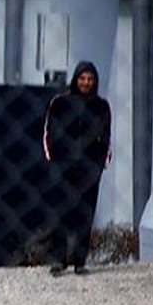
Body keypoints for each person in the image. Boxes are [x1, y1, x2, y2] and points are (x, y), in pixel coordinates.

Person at [43, 61, 112, 276]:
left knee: (85, 214)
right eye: (82, 78)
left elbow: (107, 138)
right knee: (60, 213)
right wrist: (55, 162)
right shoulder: (60, 103)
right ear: (76, 79)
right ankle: (58, 260)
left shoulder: (101, 106)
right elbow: (48, 134)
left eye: (90, 79)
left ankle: (79, 262)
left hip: (89, 169)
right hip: (62, 168)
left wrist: (99, 165)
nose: (86, 83)